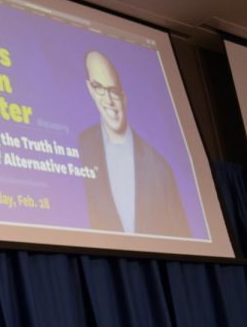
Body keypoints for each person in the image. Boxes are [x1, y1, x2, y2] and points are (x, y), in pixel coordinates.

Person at [78, 50, 191, 237]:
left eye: (113, 91)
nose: (108, 100)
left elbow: (182, 236)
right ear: (90, 89)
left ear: (124, 98)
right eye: (99, 87)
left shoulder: (160, 167)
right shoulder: (81, 146)